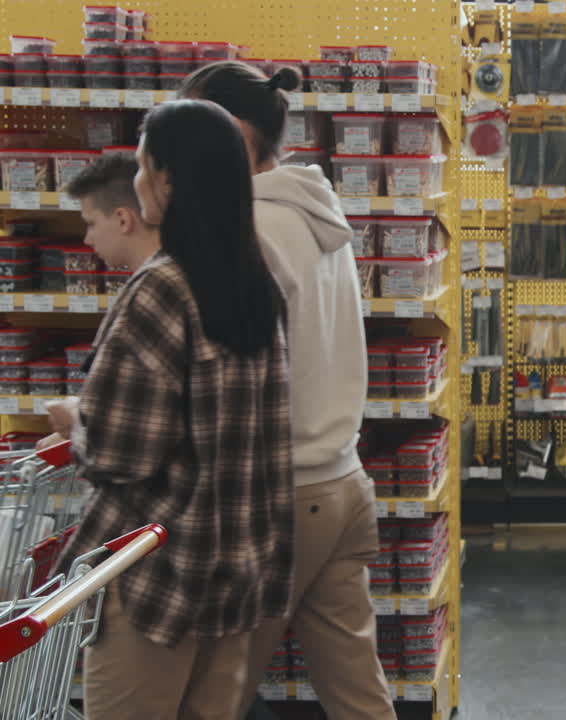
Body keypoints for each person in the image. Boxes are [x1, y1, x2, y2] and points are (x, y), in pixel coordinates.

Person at [44, 100, 295, 720]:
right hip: (236, 570)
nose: (135, 180)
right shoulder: (256, 283)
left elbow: (121, 452)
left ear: (168, 181)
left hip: (158, 578)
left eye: (141, 166)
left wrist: (77, 422)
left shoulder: (161, 287)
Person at [179, 63, 392, 720]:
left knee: (212, 696)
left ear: (233, 135)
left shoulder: (250, 234)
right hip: (342, 483)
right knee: (359, 696)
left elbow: (223, 374)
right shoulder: (318, 215)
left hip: (280, 498)